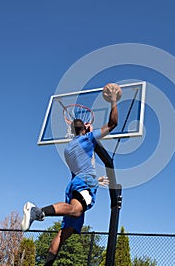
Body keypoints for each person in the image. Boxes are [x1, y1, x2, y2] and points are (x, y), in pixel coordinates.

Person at [21, 86, 119, 266]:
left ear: (71, 128)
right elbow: (113, 123)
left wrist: (94, 180)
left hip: (76, 183)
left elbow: (79, 169)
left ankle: (47, 265)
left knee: (64, 233)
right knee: (76, 210)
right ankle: (38, 211)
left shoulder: (69, 148)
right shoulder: (88, 139)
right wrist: (113, 100)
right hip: (84, 183)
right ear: (84, 129)